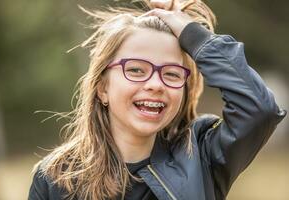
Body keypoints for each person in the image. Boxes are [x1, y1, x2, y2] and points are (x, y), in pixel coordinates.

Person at [28, 0, 286, 199]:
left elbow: (259, 108)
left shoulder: (200, 155)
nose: (155, 84)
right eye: (136, 70)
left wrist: (190, 32)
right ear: (102, 87)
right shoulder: (56, 178)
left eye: (171, 74)